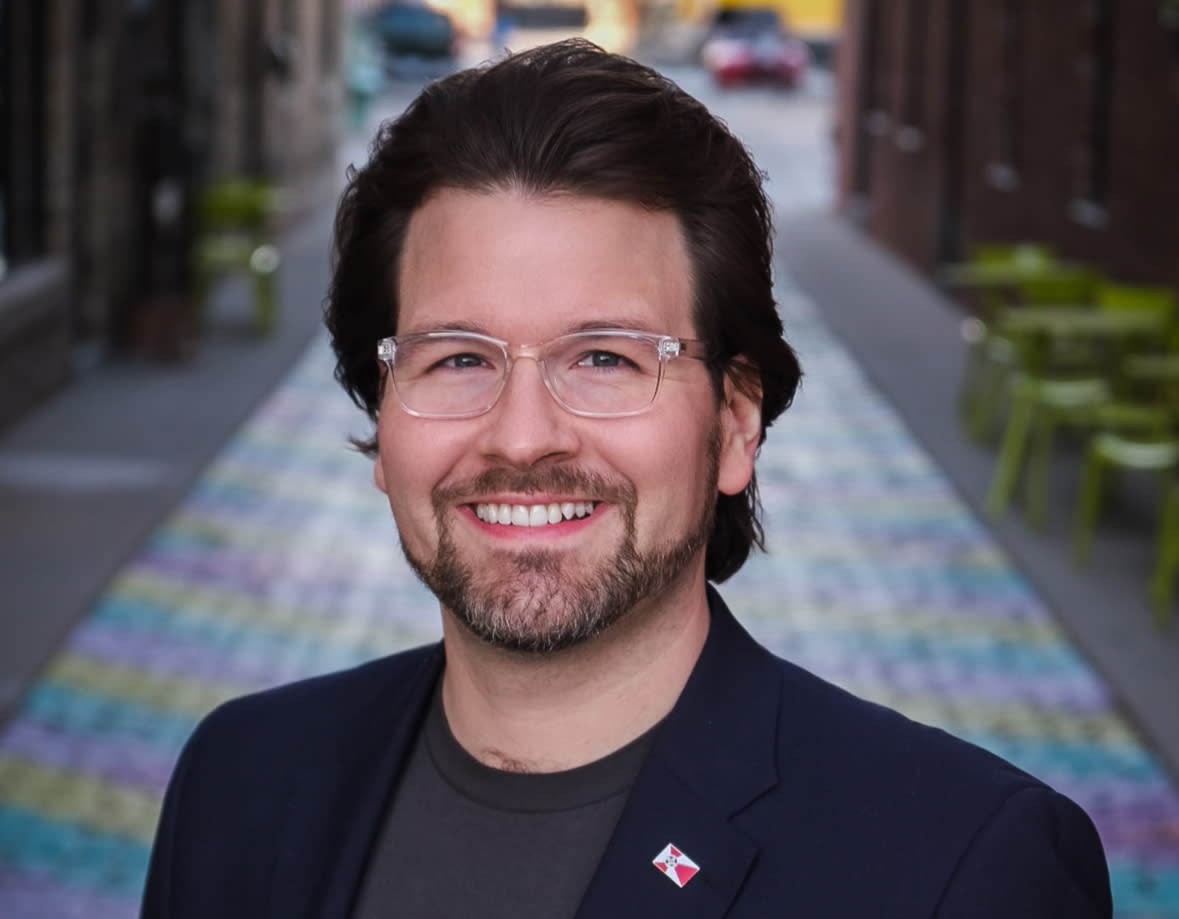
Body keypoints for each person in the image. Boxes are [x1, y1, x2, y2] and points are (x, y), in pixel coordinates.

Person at [140, 39, 1112, 918]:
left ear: (735, 424)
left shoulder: (967, 867)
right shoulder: (240, 781)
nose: (522, 437)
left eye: (605, 357)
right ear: (383, 424)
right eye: (457, 358)